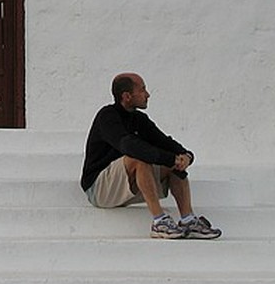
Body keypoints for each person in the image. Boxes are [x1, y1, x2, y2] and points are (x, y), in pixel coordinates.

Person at [80, 73, 222, 239]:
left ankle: (188, 220)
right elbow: (127, 145)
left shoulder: (139, 119)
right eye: (142, 90)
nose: (147, 94)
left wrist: (185, 156)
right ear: (126, 96)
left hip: (125, 186)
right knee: (140, 158)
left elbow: (163, 141)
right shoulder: (107, 116)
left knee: (173, 165)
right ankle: (159, 222)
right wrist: (169, 158)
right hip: (99, 189)